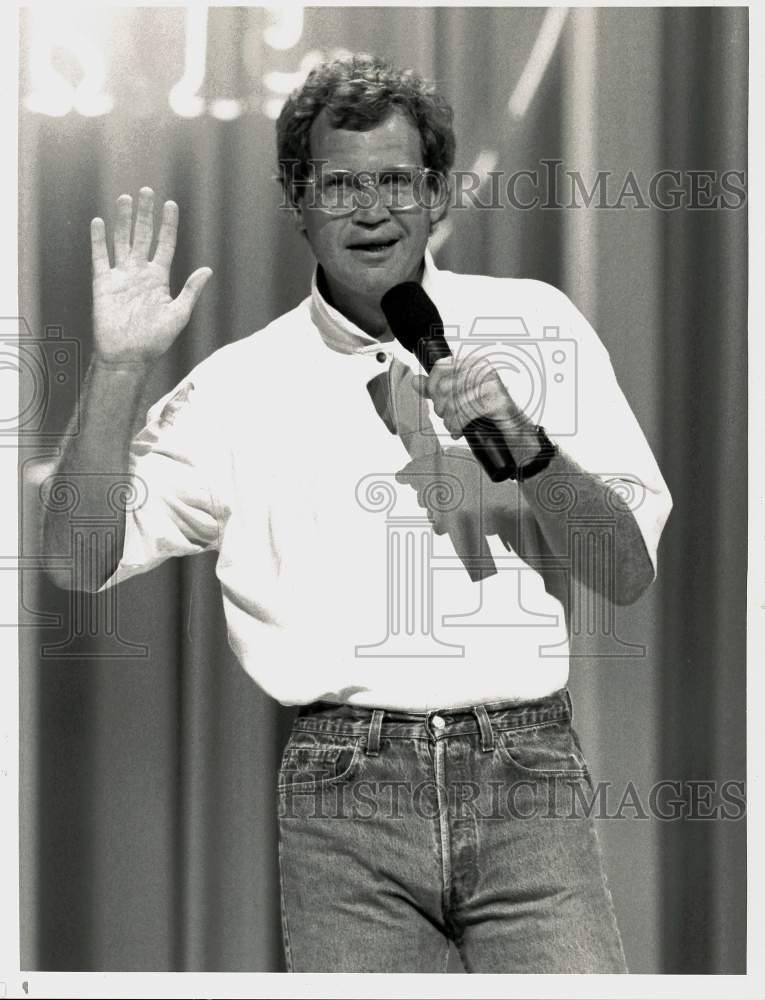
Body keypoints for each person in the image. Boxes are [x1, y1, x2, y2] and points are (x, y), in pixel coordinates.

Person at [43, 54, 672, 973]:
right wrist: (118, 368)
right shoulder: (237, 386)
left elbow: (625, 572)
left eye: (393, 180)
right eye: (340, 184)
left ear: (436, 194)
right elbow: (74, 559)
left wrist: (522, 443)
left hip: (526, 773)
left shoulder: (534, 323)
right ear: (297, 199)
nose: (371, 209)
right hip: (345, 793)